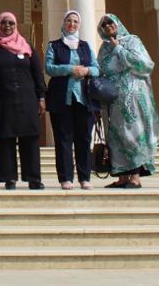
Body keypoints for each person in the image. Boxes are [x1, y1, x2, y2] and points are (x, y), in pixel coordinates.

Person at [96, 13, 159, 189]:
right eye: (104, 25)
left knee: (133, 134)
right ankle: (122, 176)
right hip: (112, 100)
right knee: (117, 137)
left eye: (110, 22)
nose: (108, 26)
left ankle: (135, 177)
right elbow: (100, 70)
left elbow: (145, 64)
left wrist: (119, 49)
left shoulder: (132, 41)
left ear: (118, 23)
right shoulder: (104, 48)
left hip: (133, 98)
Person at [0, 12, 46, 190]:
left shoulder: (26, 46)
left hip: (27, 99)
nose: (7, 26)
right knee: (5, 138)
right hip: (2, 99)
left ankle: (33, 178)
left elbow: (37, 73)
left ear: (16, 25)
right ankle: (9, 178)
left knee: (30, 138)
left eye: (11, 23)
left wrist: (41, 97)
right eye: (4, 23)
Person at [45, 10, 100, 190]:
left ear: (79, 25)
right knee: (63, 139)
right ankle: (65, 177)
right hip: (62, 99)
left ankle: (85, 177)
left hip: (85, 100)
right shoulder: (54, 46)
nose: (72, 24)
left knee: (84, 139)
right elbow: (49, 68)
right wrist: (70, 69)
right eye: (69, 20)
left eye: (75, 21)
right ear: (64, 23)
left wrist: (86, 71)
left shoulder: (85, 46)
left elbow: (96, 68)